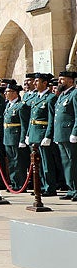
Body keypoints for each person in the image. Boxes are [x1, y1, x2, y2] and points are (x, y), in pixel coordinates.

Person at [26, 72, 57, 197]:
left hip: (43, 133)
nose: (34, 83)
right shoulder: (35, 98)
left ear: (45, 83)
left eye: (37, 81)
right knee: (36, 163)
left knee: (46, 163)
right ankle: (40, 186)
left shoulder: (50, 98)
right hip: (34, 133)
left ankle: (49, 187)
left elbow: (51, 118)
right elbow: (31, 118)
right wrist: (28, 134)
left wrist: (48, 136)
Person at [52, 71, 77, 200]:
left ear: (70, 81)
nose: (59, 81)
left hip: (69, 134)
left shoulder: (75, 94)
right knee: (66, 163)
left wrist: (75, 132)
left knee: (73, 162)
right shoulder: (62, 96)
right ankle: (71, 189)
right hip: (61, 134)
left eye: (62, 79)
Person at [2, 83, 30, 192]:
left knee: (19, 162)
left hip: (16, 137)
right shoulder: (8, 105)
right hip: (8, 137)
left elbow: (24, 124)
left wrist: (22, 139)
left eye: (8, 92)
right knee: (11, 162)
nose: (5, 94)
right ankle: (14, 183)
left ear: (15, 93)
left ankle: (21, 184)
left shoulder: (21, 105)